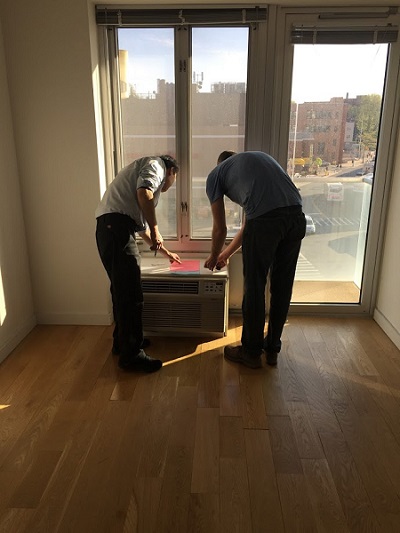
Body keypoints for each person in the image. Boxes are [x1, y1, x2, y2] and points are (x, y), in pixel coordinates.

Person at [204, 151, 306, 369]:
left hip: (267, 222)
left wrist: (213, 256)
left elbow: (220, 228)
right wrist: (225, 255)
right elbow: (250, 224)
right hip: (296, 218)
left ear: (220, 164)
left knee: (255, 287)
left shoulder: (216, 174)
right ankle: (272, 349)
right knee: (282, 287)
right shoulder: (254, 164)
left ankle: (251, 353)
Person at [95, 155, 181, 372]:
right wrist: (156, 229)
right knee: (131, 293)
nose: (170, 184)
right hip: (117, 229)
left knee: (121, 290)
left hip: (109, 229)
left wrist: (167, 253)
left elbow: (141, 230)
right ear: (171, 171)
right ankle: (132, 355)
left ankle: (123, 342)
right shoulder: (156, 165)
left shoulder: (137, 179)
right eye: (174, 179)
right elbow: (144, 193)